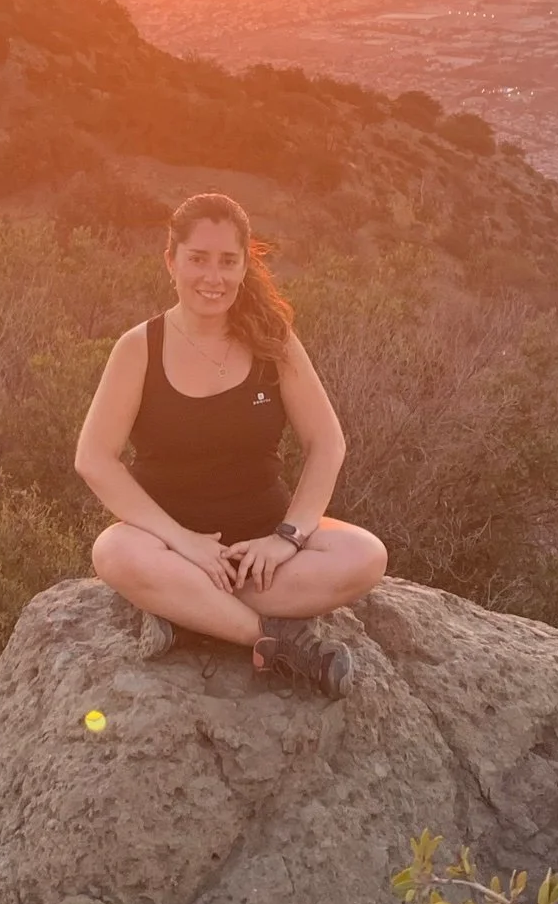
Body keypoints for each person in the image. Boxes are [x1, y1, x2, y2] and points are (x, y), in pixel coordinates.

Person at [74, 192, 388, 697]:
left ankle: (190, 614)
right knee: (113, 552)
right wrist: (183, 542)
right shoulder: (139, 348)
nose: (212, 278)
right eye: (197, 259)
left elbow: (327, 442)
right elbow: (93, 459)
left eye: (227, 261)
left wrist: (287, 537)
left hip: (262, 553)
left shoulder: (272, 340)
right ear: (171, 261)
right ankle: (272, 641)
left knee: (366, 556)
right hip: (170, 546)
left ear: (245, 266)